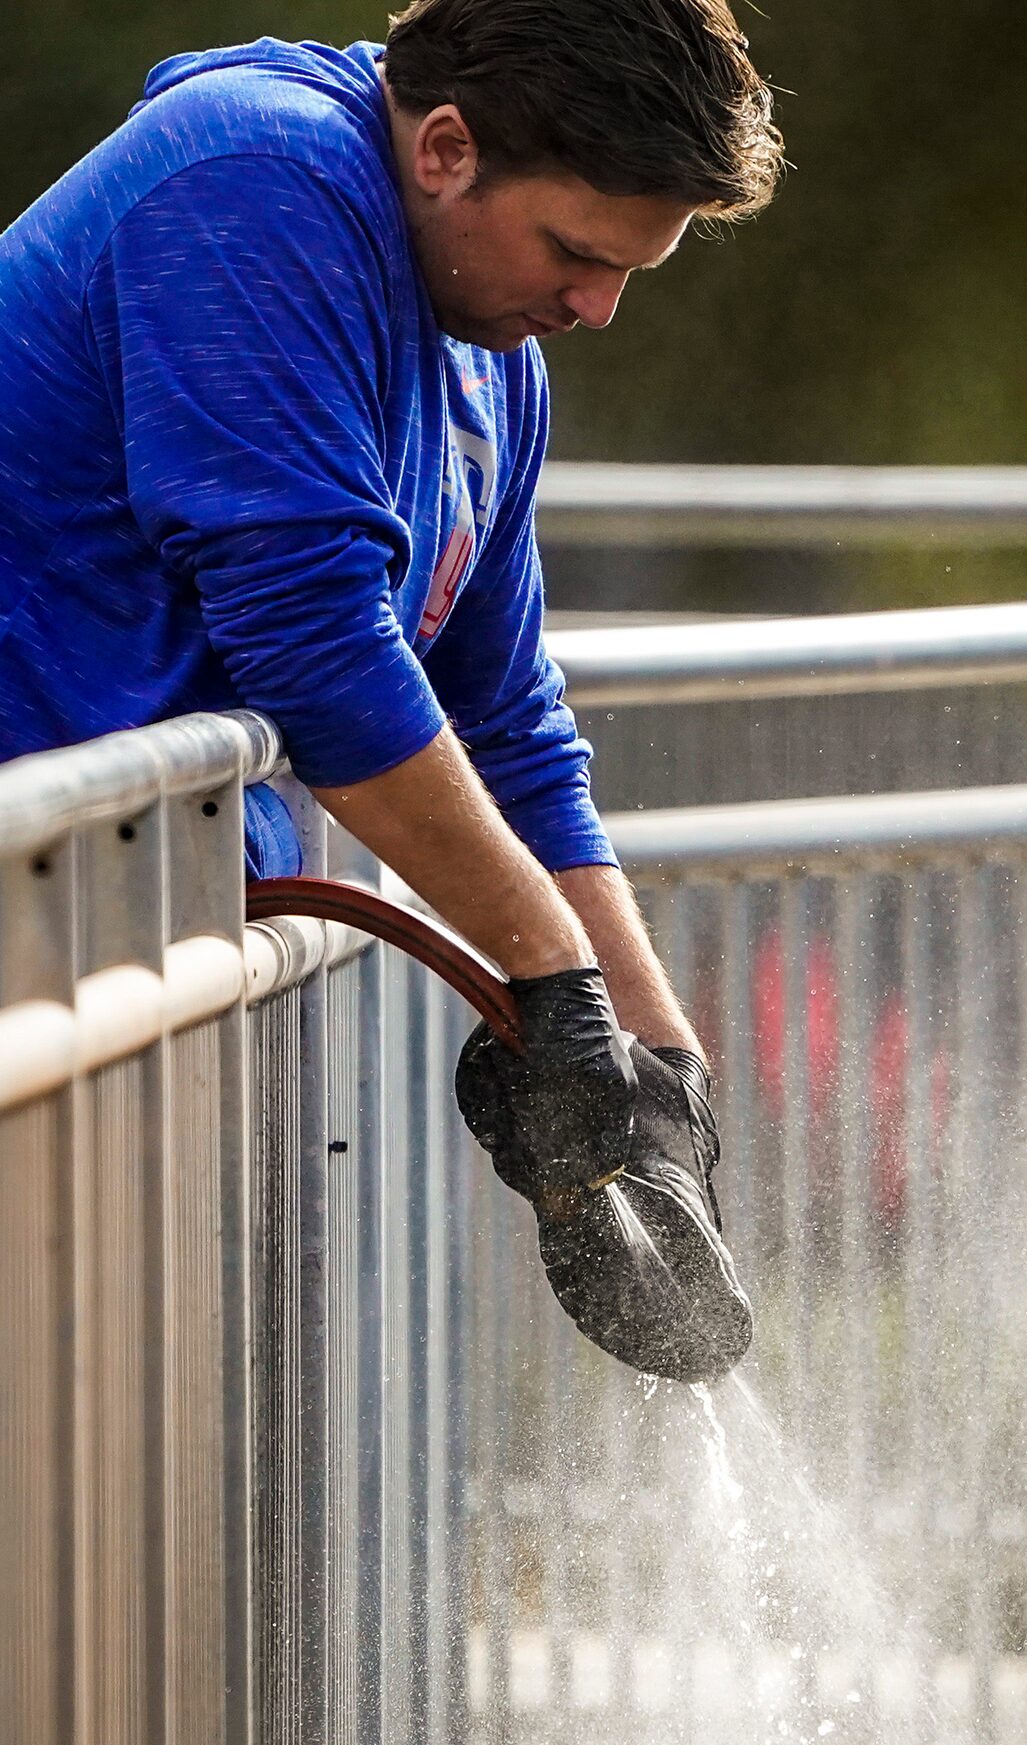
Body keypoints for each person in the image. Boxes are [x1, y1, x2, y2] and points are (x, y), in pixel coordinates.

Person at [0, 0, 783, 1198]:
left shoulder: (493, 355)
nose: (596, 311)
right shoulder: (253, 181)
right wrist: (551, 976)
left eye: (628, 272)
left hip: (139, 931)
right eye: (576, 253)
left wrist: (658, 1080)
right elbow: (311, 641)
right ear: (447, 150)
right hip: (35, 914)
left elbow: (504, 724)